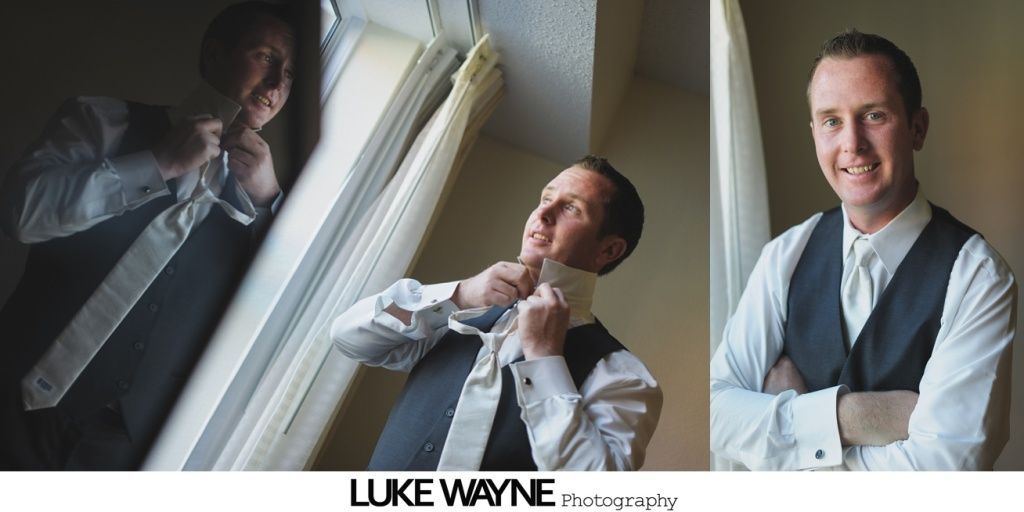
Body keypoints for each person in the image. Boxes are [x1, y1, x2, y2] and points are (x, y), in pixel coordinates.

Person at [0, 1, 295, 469]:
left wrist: (269, 203)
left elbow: (282, 314)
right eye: (265, 56)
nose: (278, 84)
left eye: (290, 73)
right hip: (10, 399)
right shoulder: (102, 121)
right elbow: (21, 214)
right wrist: (156, 165)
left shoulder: (262, 202)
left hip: (125, 449)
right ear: (214, 55)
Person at [710, 29, 1016, 470]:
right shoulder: (785, 254)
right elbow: (718, 413)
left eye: (873, 115)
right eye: (831, 120)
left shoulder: (979, 277)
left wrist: (783, 423)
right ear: (815, 133)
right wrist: (861, 416)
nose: (851, 143)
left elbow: (945, 473)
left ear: (917, 127)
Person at [331, 156, 662, 470]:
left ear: (608, 250)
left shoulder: (621, 375)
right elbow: (349, 336)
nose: (543, 213)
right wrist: (458, 294)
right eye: (545, 198)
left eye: (571, 207)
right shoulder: (453, 313)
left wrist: (545, 360)